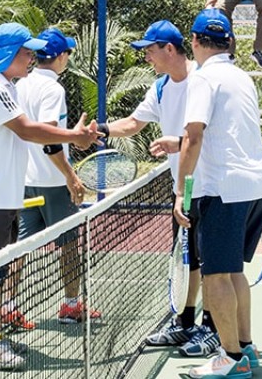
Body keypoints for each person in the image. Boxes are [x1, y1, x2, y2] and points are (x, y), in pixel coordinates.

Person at [0, 22, 101, 371]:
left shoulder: (7, 86)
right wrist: (74, 136)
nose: (31, 58)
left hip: (6, 195)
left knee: (3, 266)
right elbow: (27, 130)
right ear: (8, 54)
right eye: (26, 52)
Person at [98, 20, 219, 358]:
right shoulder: (161, 88)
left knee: (210, 260)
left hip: (209, 186)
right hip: (182, 188)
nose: (146, 57)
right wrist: (102, 129)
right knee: (188, 257)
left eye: (150, 50)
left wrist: (177, 143)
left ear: (169, 49)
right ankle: (184, 322)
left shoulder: (203, 80)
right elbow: (134, 124)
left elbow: (206, 135)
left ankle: (210, 327)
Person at [174, 9, 262, 379]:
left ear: (195, 42)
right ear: (229, 42)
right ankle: (246, 347)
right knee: (233, 271)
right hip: (257, 186)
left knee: (215, 276)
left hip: (223, 190)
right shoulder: (241, 76)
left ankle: (231, 359)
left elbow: (194, 136)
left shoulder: (203, 79)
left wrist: (181, 193)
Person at [15, 26, 101, 325]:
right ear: (61, 56)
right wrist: (71, 176)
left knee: (19, 250)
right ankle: (71, 306)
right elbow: (50, 140)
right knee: (68, 246)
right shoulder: (53, 89)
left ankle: (8, 308)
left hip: (24, 182)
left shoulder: (18, 83)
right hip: (52, 184)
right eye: (68, 52)